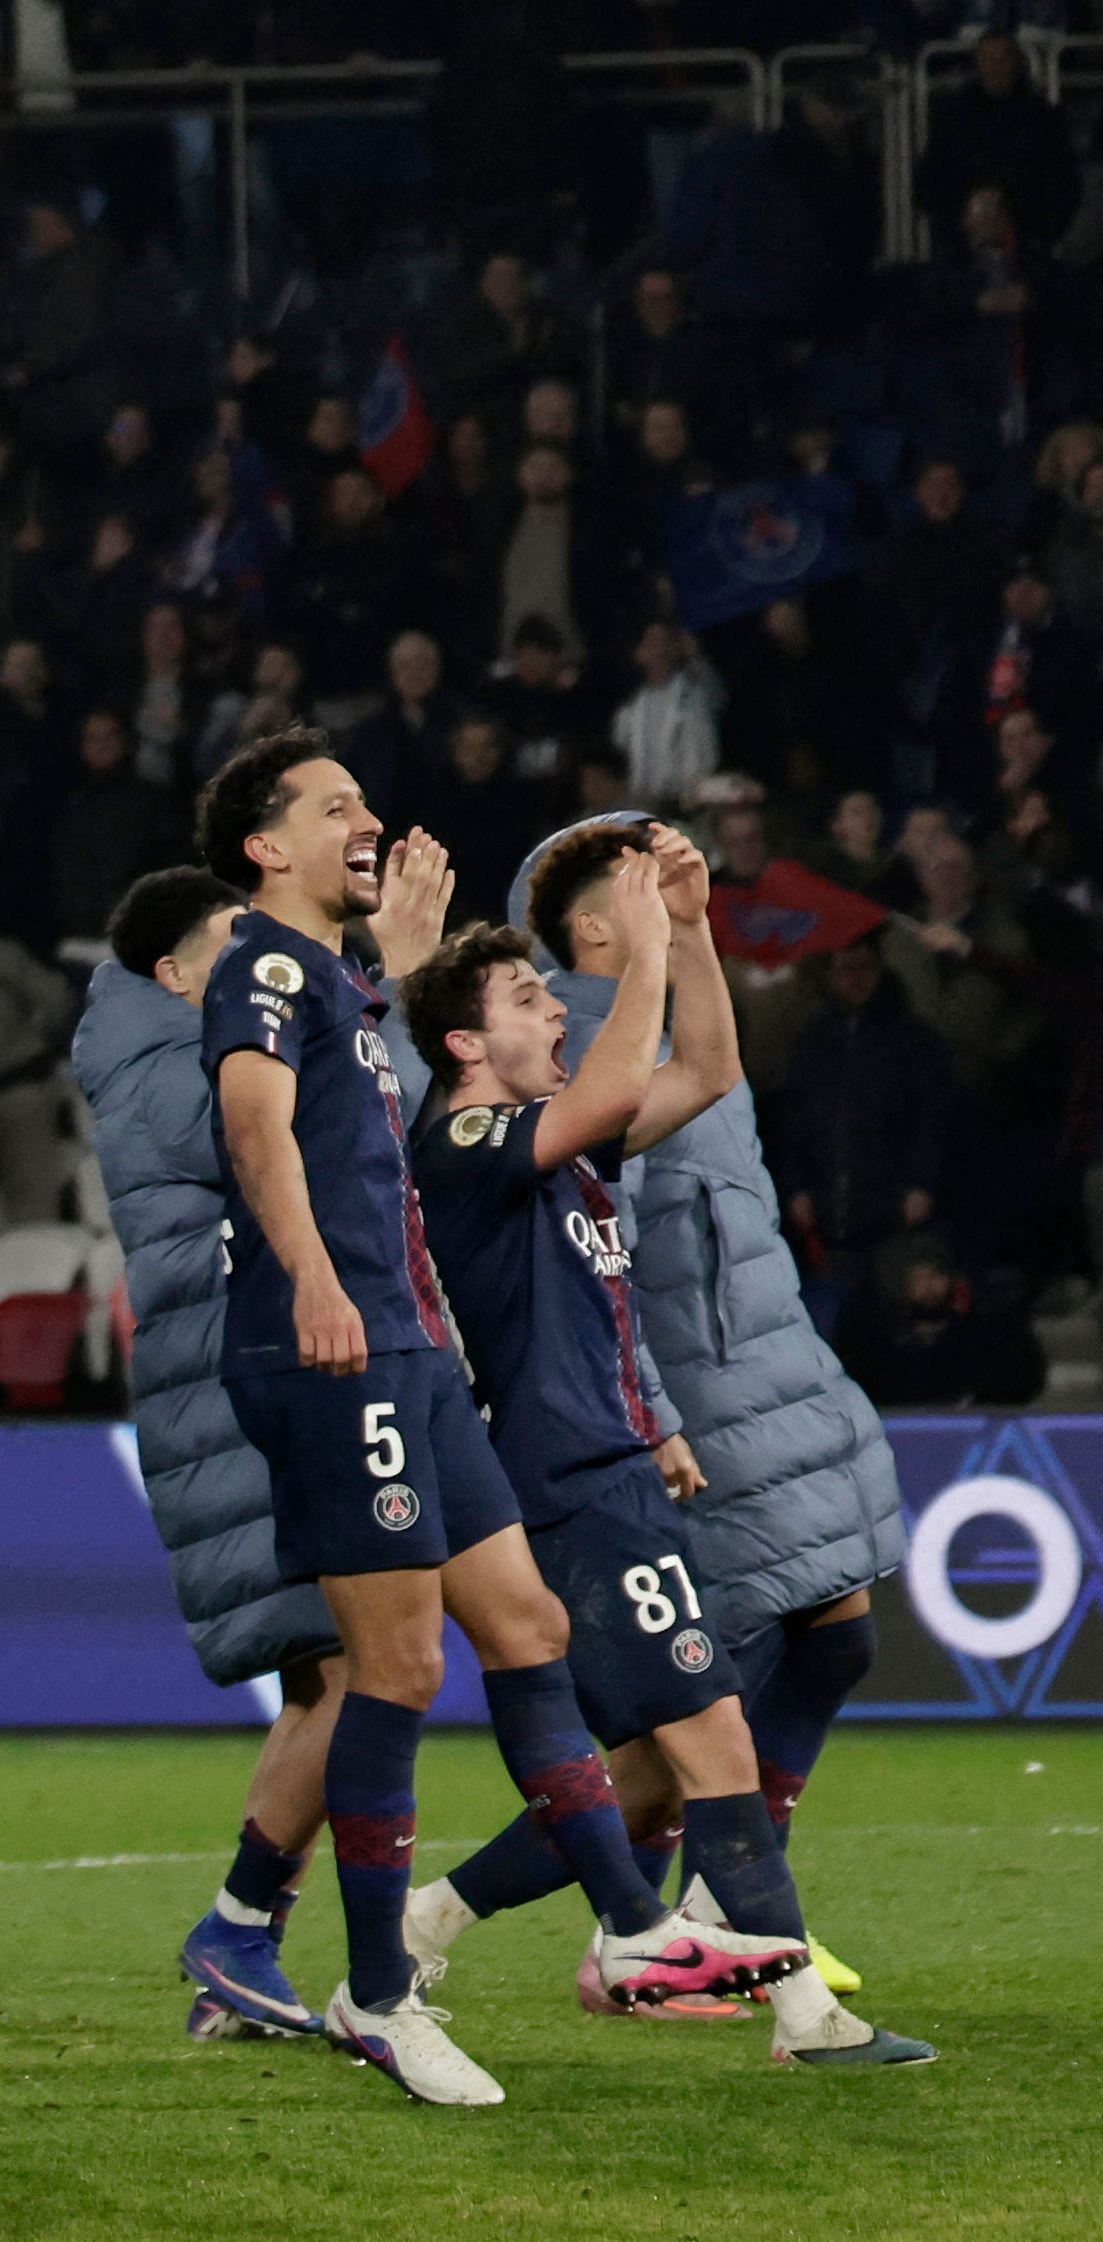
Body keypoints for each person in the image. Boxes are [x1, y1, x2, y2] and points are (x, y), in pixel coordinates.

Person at [193, 728, 771, 2110]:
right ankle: (383, 1994)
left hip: (412, 1360)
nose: (368, 820)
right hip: (333, 1352)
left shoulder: (335, 983)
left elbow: (342, 1117)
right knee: (395, 1674)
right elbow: (254, 1128)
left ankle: (633, 1925)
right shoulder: (260, 970)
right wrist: (320, 1289)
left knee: (527, 1630)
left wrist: (388, 965)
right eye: (335, 807)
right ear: (263, 847)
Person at [392, 846, 920, 2067]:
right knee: (710, 1745)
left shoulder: (551, 1145)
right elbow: (629, 1061)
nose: (550, 1012)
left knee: (651, 1780)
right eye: (526, 999)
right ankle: (807, 2018)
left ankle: (432, 1916)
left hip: (617, 1473)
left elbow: (708, 1069)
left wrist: (687, 932)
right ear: (465, 1045)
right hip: (573, 1493)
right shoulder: (466, 1140)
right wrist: (635, 945)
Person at [73, 850, 443, 2042]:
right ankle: (237, 1927)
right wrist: (394, 982)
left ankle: (243, 1959)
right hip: (254, 1366)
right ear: (172, 969)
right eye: (235, 945)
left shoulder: (173, 1034)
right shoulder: (161, 1055)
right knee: (355, 1664)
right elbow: (312, 1126)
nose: (260, 963)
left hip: (253, 1359)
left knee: (331, 1665)